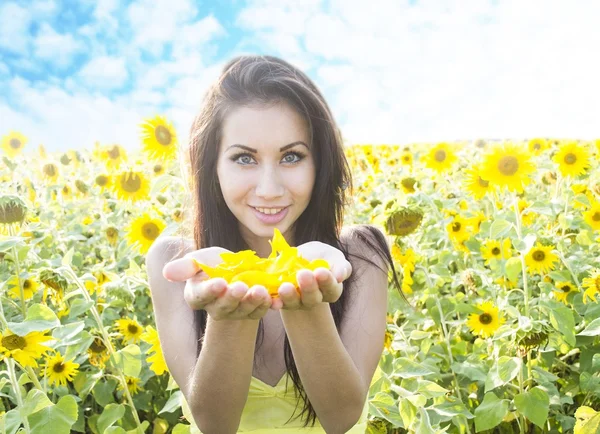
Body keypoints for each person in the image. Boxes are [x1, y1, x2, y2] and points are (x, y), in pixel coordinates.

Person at [145, 55, 404, 433]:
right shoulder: (177, 263)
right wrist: (228, 316)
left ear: (320, 164)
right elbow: (215, 424)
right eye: (244, 158)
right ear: (212, 166)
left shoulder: (362, 254)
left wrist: (304, 297)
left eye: (292, 156)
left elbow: (341, 417)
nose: (269, 189)